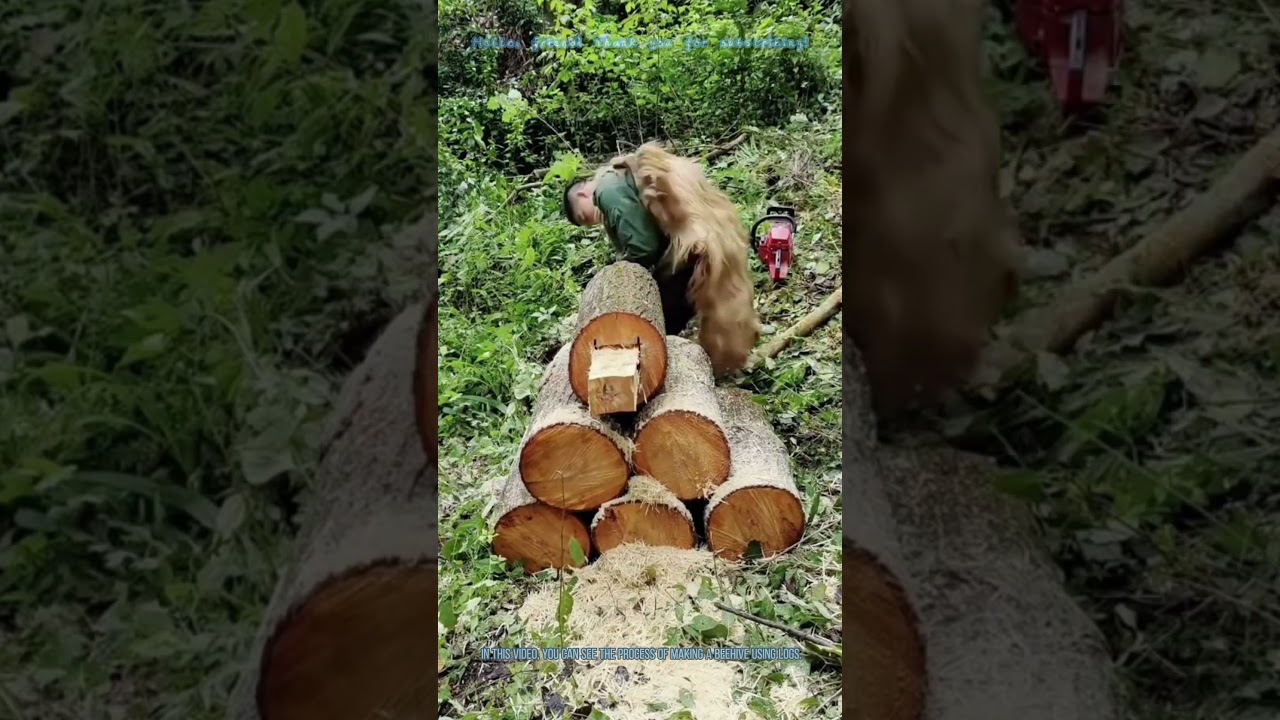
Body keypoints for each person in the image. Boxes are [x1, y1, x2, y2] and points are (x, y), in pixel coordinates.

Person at [562, 167, 696, 336]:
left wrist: (621, 271)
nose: (591, 223)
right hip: (690, 240)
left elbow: (644, 248)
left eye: (584, 217)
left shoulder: (607, 190)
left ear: (582, 194)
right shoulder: (615, 179)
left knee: (659, 317)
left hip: (688, 247)